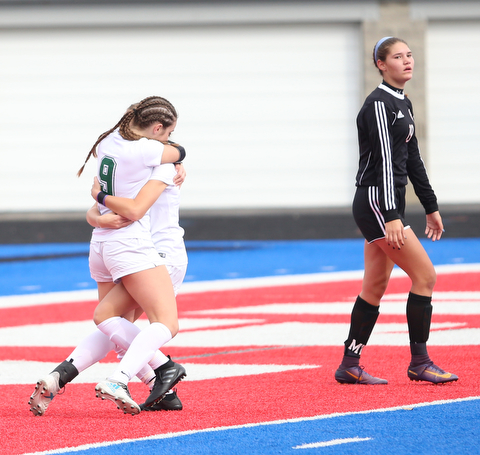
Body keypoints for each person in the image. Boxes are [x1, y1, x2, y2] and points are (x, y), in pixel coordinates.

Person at [334, 37, 458, 385]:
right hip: (376, 200)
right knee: (426, 276)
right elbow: (387, 163)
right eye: (398, 56)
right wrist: (391, 214)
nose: (407, 61)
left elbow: (413, 159)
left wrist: (430, 206)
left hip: (386, 201)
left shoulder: (403, 103)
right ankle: (420, 362)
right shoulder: (378, 104)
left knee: (374, 285)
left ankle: (349, 363)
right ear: (381, 64)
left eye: (409, 55)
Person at [28, 160, 187, 416]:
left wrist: (99, 196)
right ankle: (160, 382)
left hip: (158, 254)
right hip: (134, 252)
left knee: (112, 320)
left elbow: (133, 209)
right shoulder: (133, 167)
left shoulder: (161, 166)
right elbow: (95, 212)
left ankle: (152, 375)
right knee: (115, 324)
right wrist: (100, 214)